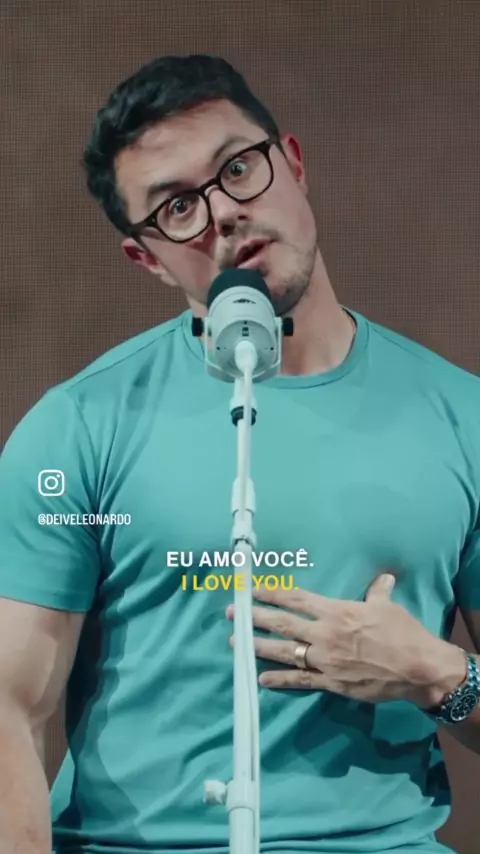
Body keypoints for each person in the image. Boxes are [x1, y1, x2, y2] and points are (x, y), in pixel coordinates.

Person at [0, 53, 479, 854]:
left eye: (238, 169)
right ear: (147, 258)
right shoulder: (79, 427)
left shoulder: (463, 417)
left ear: (292, 163)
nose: (224, 213)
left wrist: (441, 675)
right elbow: (8, 710)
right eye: (177, 207)